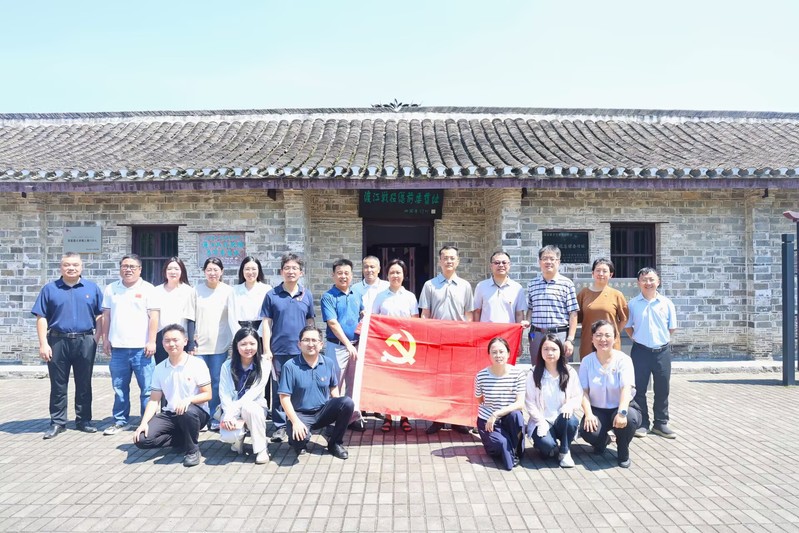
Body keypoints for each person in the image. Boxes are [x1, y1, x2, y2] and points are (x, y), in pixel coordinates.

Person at [32, 252, 104, 439]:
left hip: (85, 341)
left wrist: (96, 337)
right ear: (61, 267)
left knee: (84, 383)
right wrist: (43, 343)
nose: (71, 268)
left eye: (75, 265)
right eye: (67, 265)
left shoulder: (92, 288)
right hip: (57, 341)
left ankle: (84, 420)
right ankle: (58, 422)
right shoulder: (50, 289)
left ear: (81, 267)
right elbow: (41, 317)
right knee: (58, 384)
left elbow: (100, 315)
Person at [133, 324, 212, 467]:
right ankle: (182, 439)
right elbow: (154, 400)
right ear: (162, 343)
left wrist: (188, 400)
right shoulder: (159, 368)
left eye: (175, 340)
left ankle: (192, 450)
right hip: (171, 413)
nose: (171, 344)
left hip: (195, 412)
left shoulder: (197, 364)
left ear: (185, 341)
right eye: (167, 341)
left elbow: (207, 394)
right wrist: (143, 423)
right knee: (142, 439)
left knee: (187, 412)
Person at [261, 253, 316, 443]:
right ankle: (279, 426)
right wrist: (267, 349)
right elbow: (266, 323)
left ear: (301, 272)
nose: (291, 271)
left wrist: (313, 344)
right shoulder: (272, 295)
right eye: (287, 268)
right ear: (281, 271)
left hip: (302, 351)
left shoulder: (306, 294)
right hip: (280, 350)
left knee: (301, 387)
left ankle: (300, 421)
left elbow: (310, 321)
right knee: (279, 388)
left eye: (295, 268)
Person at [102, 254, 160, 436]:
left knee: (147, 389)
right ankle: (120, 421)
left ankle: (148, 423)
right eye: (125, 266)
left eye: (132, 267)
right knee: (119, 388)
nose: (128, 269)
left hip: (142, 349)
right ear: (120, 268)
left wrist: (152, 341)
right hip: (118, 348)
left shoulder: (149, 289)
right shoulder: (111, 288)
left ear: (140, 269)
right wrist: (105, 339)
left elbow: (154, 317)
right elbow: (106, 316)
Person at [419, 245, 474, 434]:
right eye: (445, 258)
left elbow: (469, 315)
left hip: (459, 342)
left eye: (452, 258)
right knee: (438, 381)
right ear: (439, 261)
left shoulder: (465, 286)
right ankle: (438, 419)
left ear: (457, 261)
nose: (449, 261)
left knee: (458, 381)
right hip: (437, 341)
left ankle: (458, 420)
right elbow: (425, 314)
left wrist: (467, 338)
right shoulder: (430, 285)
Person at [278, 326, 355, 460]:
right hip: (300, 414)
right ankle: (297, 440)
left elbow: (333, 387)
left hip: (322, 412)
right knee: (299, 441)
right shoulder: (290, 366)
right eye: (306, 340)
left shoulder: (328, 363)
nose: (310, 344)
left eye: (314, 340)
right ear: (299, 344)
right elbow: (284, 397)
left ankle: (335, 443)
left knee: (347, 403)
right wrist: (295, 422)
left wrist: (337, 408)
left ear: (321, 344)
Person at [579, 320, 642, 468]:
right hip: (598, 409)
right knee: (588, 431)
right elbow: (583, 391)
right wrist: (588, 414)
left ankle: (623, 450)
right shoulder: (587, 361)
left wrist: (622, 412)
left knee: (628, 419)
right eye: (598, 335)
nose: (603, 339)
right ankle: (602, 441)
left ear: (615, 338)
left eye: (607, 335)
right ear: (592, 338)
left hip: (621, 406)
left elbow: (626, 388)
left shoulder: (623, 360)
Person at [625, 267, 678, 439]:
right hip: (640, 351)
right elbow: (628, 326)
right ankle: (643, 423)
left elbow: (671, 328)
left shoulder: (667, 303)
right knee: (639, 389)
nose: (648, 283)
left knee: (662, 388)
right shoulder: (633, 304)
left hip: (662, 351)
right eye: (644, 279)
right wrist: (638, 339)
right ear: (638, 283)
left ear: (658, 282)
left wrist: (659, 340)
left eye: (651, 279)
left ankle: (661, 423)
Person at [371, 258, 418, 432]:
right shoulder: (380, 296)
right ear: (387, 275)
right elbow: (374, 320)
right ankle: (388, 417)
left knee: (404, 383)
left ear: (404, 275)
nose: (395, 275)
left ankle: (404, 417)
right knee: (388, 383)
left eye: (398, 272)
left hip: (405, 346)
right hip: (386, 346)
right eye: (392, 272)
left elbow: (415, 321)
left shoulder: (410, 297)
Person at [320, 258, 365, 432]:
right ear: (333, 275)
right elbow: (332, 323)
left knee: (354, 384)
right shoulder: (328, 297)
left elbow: (362, 314)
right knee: (335, 384)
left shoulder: (356, 294)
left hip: (356, 346)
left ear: (352, 275)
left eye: (346, 273)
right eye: (339, 273)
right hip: (338, 346)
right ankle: (332, 421)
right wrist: (348, 344)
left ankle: (352, 417)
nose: (343, 276)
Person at [525, 334, 582, 468]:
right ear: (540, 351)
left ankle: (565, 451)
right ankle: (549, 445)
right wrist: (540, 421)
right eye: (545, 349)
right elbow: (529, 402)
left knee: (571, 421)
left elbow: (577, 395)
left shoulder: (569, 372)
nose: (549, 353)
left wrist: (569, 406)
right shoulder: (533, 373)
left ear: (560, 351)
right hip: (542, 420)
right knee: (547, 447)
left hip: (561, 419)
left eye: (554, 349)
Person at [218, 327, 270, 464]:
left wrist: (231, 413)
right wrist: (228, 414)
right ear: (236, 345)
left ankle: (261, 449)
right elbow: (224, 393)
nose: (248, 348)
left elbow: (254, 393)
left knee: (250, 408)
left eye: (252, 343)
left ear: (258, 345)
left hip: (255, 406)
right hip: (231, 408)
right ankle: (237, 440)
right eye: (243, 344)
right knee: (228, 435)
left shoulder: (264, 364)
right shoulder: (227, 366)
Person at [473, 337, 525, 470]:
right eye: (494, 352)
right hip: (488, 422)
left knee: (516, 415)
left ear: (508, 353)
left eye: (501, 352)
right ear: (489, 355)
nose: (498, 355)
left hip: (507, 419)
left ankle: (514, 449)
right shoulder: (481, 376)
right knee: (501, 445)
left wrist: (496, 413)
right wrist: (491, 415)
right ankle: (505, 446)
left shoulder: (518, 374)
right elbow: (479, 400)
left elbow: (520, 403)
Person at [194, 257, 233, 431]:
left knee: (217, 382)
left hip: (220, 345)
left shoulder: (229, 291)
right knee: (199, 383)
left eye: (216, 270)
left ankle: (215, 416)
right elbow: (189, 317)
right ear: (204, 271)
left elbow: (233, 317)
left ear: (221, 272)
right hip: (199, 346)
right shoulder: (196, 290)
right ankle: (201, 418)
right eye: (209, 270)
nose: (212, 273)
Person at [525, 245, 579, 362]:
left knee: (561, 368)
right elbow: (530, 308)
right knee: (537, 367)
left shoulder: (567, 284)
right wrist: (527, 321)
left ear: (558, 262)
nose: (548, 262)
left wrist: (570, 339)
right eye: (544, 259)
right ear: (539, 262)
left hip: (559, 334)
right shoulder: (532, 284)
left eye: (552, 259)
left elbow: (573, 313)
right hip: (537, 335)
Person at [576, 258, 628, 360]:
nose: (601, 274)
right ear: (593, 273)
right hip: (588, 342)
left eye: (605, 271)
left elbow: (624, 319)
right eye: (598, 270)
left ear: (611, 274)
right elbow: (577, 318)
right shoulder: (583, 293)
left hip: (610, 344)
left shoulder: (617, 295)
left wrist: (613, 333)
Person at [153, 257, 196, 365]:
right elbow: (153, 317)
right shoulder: (156, 291)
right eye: (169, 269)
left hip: (181, 337)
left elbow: (191, 318)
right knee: (162, 367)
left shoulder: (189, 291)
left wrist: (191, 342)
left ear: (182, 271)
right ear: (165, 271)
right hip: (162, 337)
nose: (173, 272)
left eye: (176, 269)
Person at [473, 251, 526, 325]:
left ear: (509, 265)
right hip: (487, 330)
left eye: (504, 262)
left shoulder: (517, 288)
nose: (501, 265)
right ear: (491, 266)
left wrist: (519, 331)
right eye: (497, 263)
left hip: (508, 330)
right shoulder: (481, 286)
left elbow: (519, 314)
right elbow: (477, 312)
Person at [227, 256, 271, 337]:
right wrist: (240, 335)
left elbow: (268, 316)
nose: (250, 272)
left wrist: (258, 335)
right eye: (247, 269)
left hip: (261, 334)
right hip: (240, 336)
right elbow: (232, 318)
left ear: (259, 270)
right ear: (242, 271)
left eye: (254, 269)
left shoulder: (267, 290)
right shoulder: (234, 291)